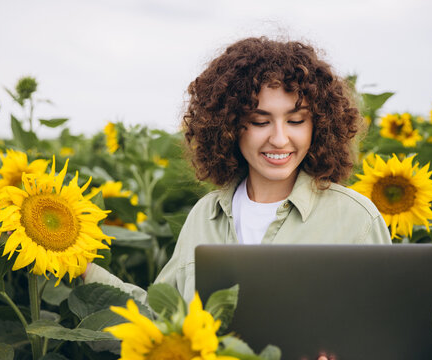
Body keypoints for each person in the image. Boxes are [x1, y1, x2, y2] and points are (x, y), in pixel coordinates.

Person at [85, 37, 391, 358]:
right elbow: (163, 323)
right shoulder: (205, 215)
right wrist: (85, 271)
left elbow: (386, 336)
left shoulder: (356, 220)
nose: (279, 138)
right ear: (230, 126)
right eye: (260, 121)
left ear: (319, 125)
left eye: (296, 120)